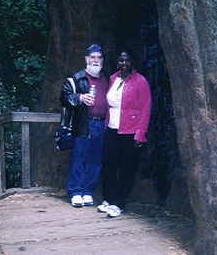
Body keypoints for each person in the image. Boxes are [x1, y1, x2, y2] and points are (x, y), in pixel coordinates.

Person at [97, 47, 151, 217]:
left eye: (127, 60)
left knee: (128, 169)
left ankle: (118, 203)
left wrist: (140, 134)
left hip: (131, 131)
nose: (124, 63)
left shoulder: (140, 81)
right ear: (117, 62)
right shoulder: (112, 78)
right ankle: (109, 198)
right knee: (109, 165)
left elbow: (146, 109)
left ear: (132, 61)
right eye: (121, 60)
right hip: (112, 129)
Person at [60, 44, 110, 207]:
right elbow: (64, 98)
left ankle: (88, 191)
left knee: (95, 160)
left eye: (99, 57)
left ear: (102, 60)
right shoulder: (76, 78)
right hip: (83, 124)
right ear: (86, 59)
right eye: (92, 57)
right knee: (79, 158)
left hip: (102, 124)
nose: (95, 60)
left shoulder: (108, 78)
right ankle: (75, 192)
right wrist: (79, 98)